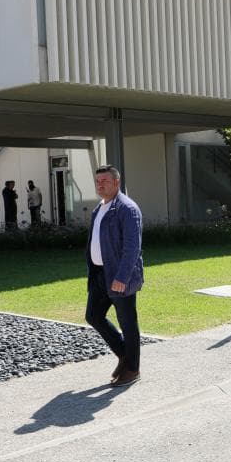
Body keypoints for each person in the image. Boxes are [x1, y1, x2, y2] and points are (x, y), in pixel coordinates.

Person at [85, 165, 144, 387]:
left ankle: (133, 369)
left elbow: (132, 248)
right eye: (98, 181)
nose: (100, 185)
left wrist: (122, 277)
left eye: (105, 181)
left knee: (128, 322)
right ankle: (124, 355)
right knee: (93, 316)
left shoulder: (127, 209)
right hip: (100, 274)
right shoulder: (98, 209)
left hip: (120, 276)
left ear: (117, 182)